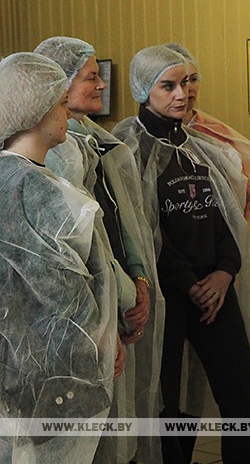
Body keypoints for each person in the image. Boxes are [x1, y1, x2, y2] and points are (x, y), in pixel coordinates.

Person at [112, 45, 250, 463]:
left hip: (215, 288)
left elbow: (225, 217)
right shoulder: (126, 149)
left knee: (241, 397)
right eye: (169, 86)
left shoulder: (201, 146)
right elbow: (141, 232)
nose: (183, 93)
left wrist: (225, 271)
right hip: (165, 295)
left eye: (188, 82)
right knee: (164, 400)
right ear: (143, 89)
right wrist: (188, 281)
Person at [35, 36, 166, 463]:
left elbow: (123, 223)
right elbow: (82, 246)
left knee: (116, 426)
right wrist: (121, 298)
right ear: (59, 85)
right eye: (91, 77)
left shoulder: (101, 143)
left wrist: (139, 279)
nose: (102, 85)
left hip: (117, 299)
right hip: (89, 310)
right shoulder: (51, 155)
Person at [0, 53, 119, 462]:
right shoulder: (43, 192)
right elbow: (66, 297)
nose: (67, 113)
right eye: (61, 103)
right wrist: (100, 343)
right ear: (35, 110)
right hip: (51, 375)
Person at [164, 43, 250, 222]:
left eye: (193, 79)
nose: (188, 89)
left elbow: (246, 194)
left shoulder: (217, 134)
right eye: (181, 82)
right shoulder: (148, 138)